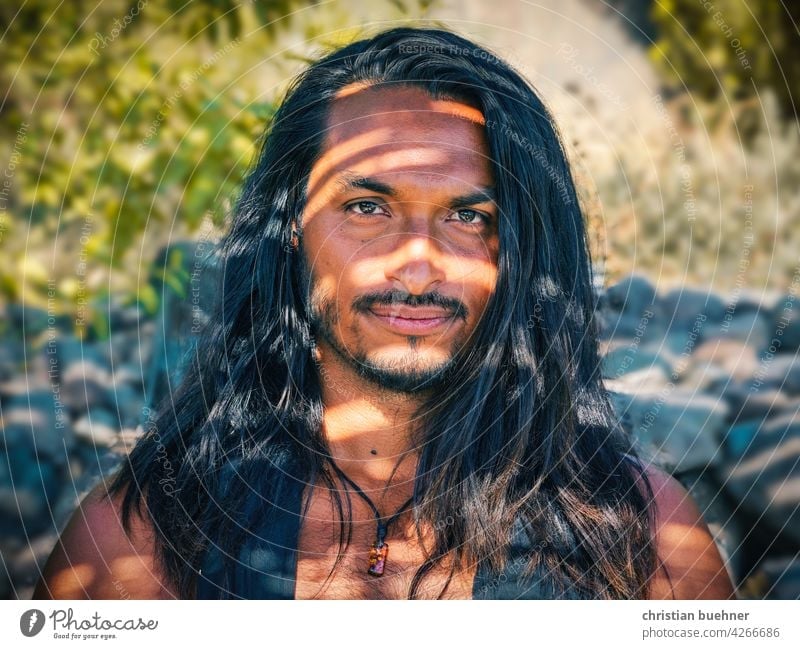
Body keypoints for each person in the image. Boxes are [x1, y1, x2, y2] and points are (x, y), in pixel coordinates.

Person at [34, 26, 735, 600]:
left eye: (468, 214)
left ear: (524, 254)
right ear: (287, 233)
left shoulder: (641, 540)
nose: (419, 261)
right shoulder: (141, 542)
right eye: (367, 206)